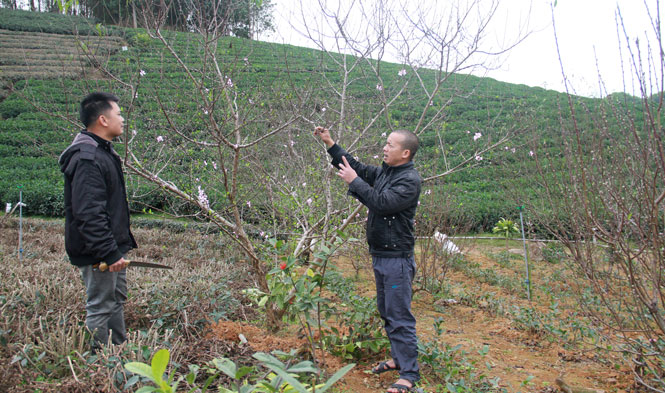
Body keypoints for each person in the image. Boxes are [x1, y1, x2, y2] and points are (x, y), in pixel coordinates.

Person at [314, 126, 422, 393]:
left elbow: (382, 203)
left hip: (397, 258)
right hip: (382, 255)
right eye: (385, 144)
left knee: (399, 315)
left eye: (390, 145)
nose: (384, 148)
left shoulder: (409, 180)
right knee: (387, 311)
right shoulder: (389, 171)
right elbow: (359, 169)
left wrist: (353, 181)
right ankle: (399, 359)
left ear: (405, 153)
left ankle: (409, 373)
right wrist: (330, 143)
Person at [59, 92, 137, 351]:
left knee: (114, 300)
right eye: (118, 114)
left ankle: (117, 354)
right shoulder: (88, 158)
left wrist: (116, 249)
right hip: (99, 252)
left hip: (111, 248)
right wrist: (108, 253)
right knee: (101, 306)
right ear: (103, 120)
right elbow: (89, 213)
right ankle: (98, 367)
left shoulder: (103, 152)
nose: (123, 119)